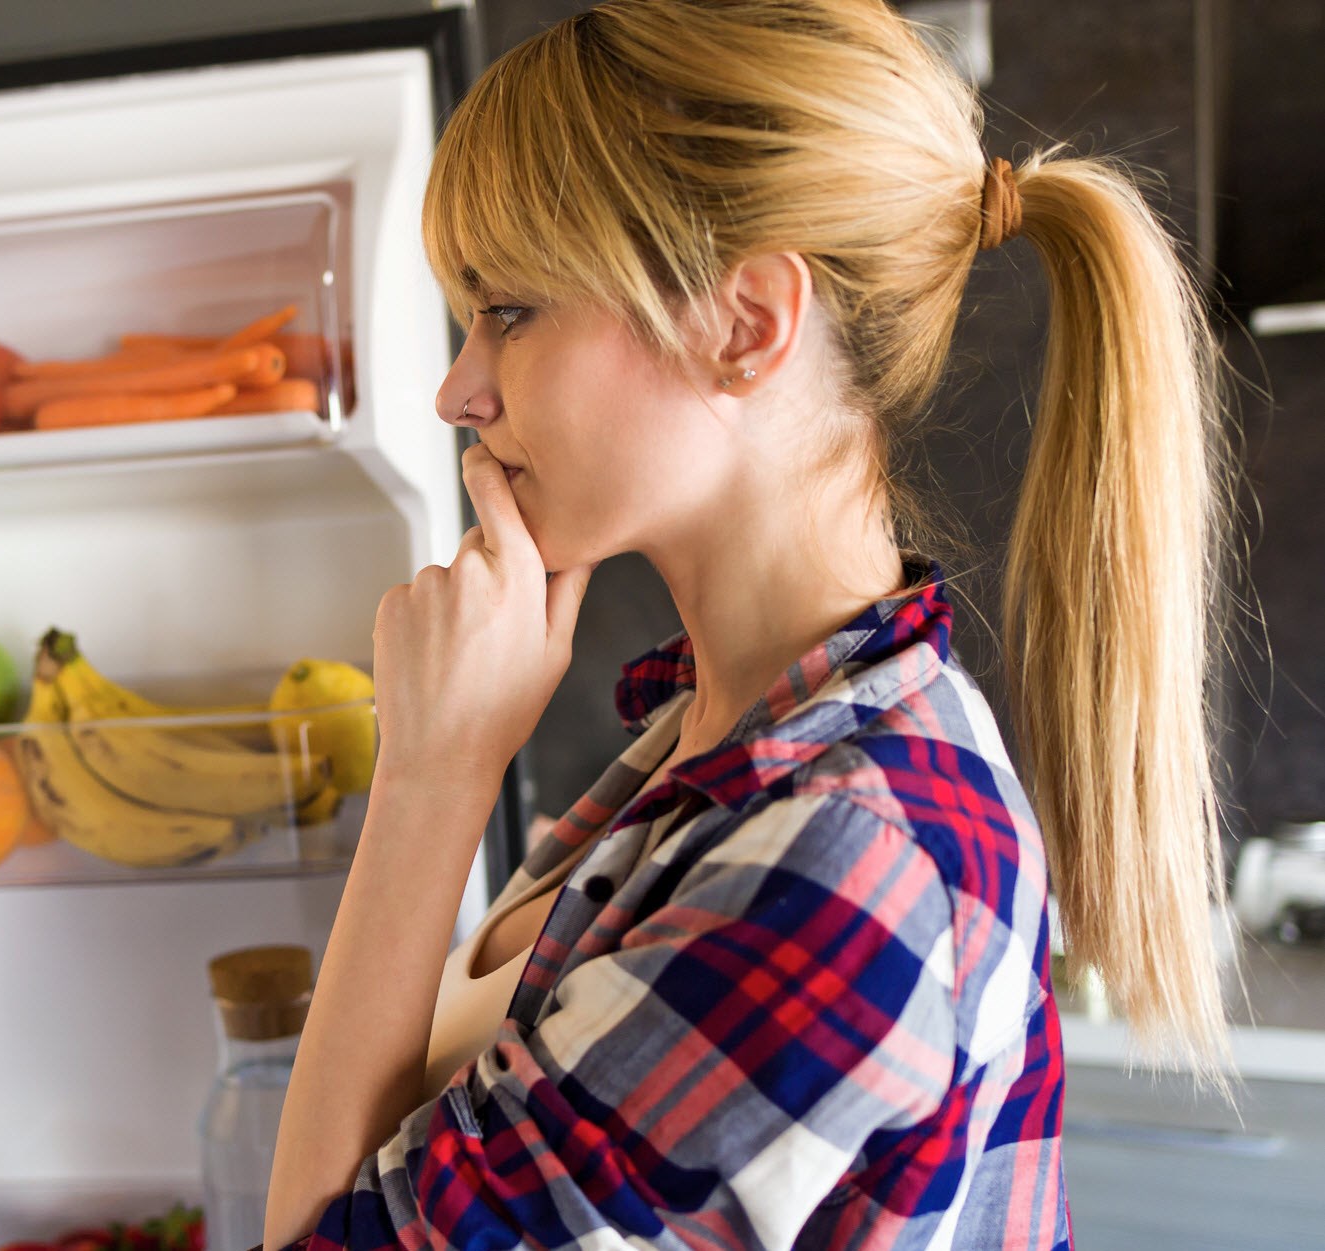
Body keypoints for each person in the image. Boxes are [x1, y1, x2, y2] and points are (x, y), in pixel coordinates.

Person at [261, 2, 1231, 1249]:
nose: (460, 389)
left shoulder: (848, 858)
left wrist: (432, 778)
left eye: (510, 311)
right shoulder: (708, 741)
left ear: (746, 324)